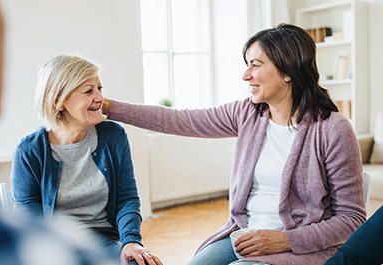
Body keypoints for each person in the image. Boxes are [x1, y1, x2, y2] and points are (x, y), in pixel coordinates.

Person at [101, 23, 366, 265]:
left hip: (298, 249)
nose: (245, 75)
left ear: (287, 70)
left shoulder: (332, 129)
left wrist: (284, 240)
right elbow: (178, 120)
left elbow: (352, 220)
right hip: (243, 236)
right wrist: (108, 107)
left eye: (256, 65)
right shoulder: (247, 114)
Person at [10, 54, 163, 265]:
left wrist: (131, 241)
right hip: (56, 249)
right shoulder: (29, 151)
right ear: (58, 101)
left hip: (106, 242)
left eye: (100, 88)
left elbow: (127, 199)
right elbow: (28, 218)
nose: (100, 98)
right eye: (88, 90)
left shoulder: (113, 136)